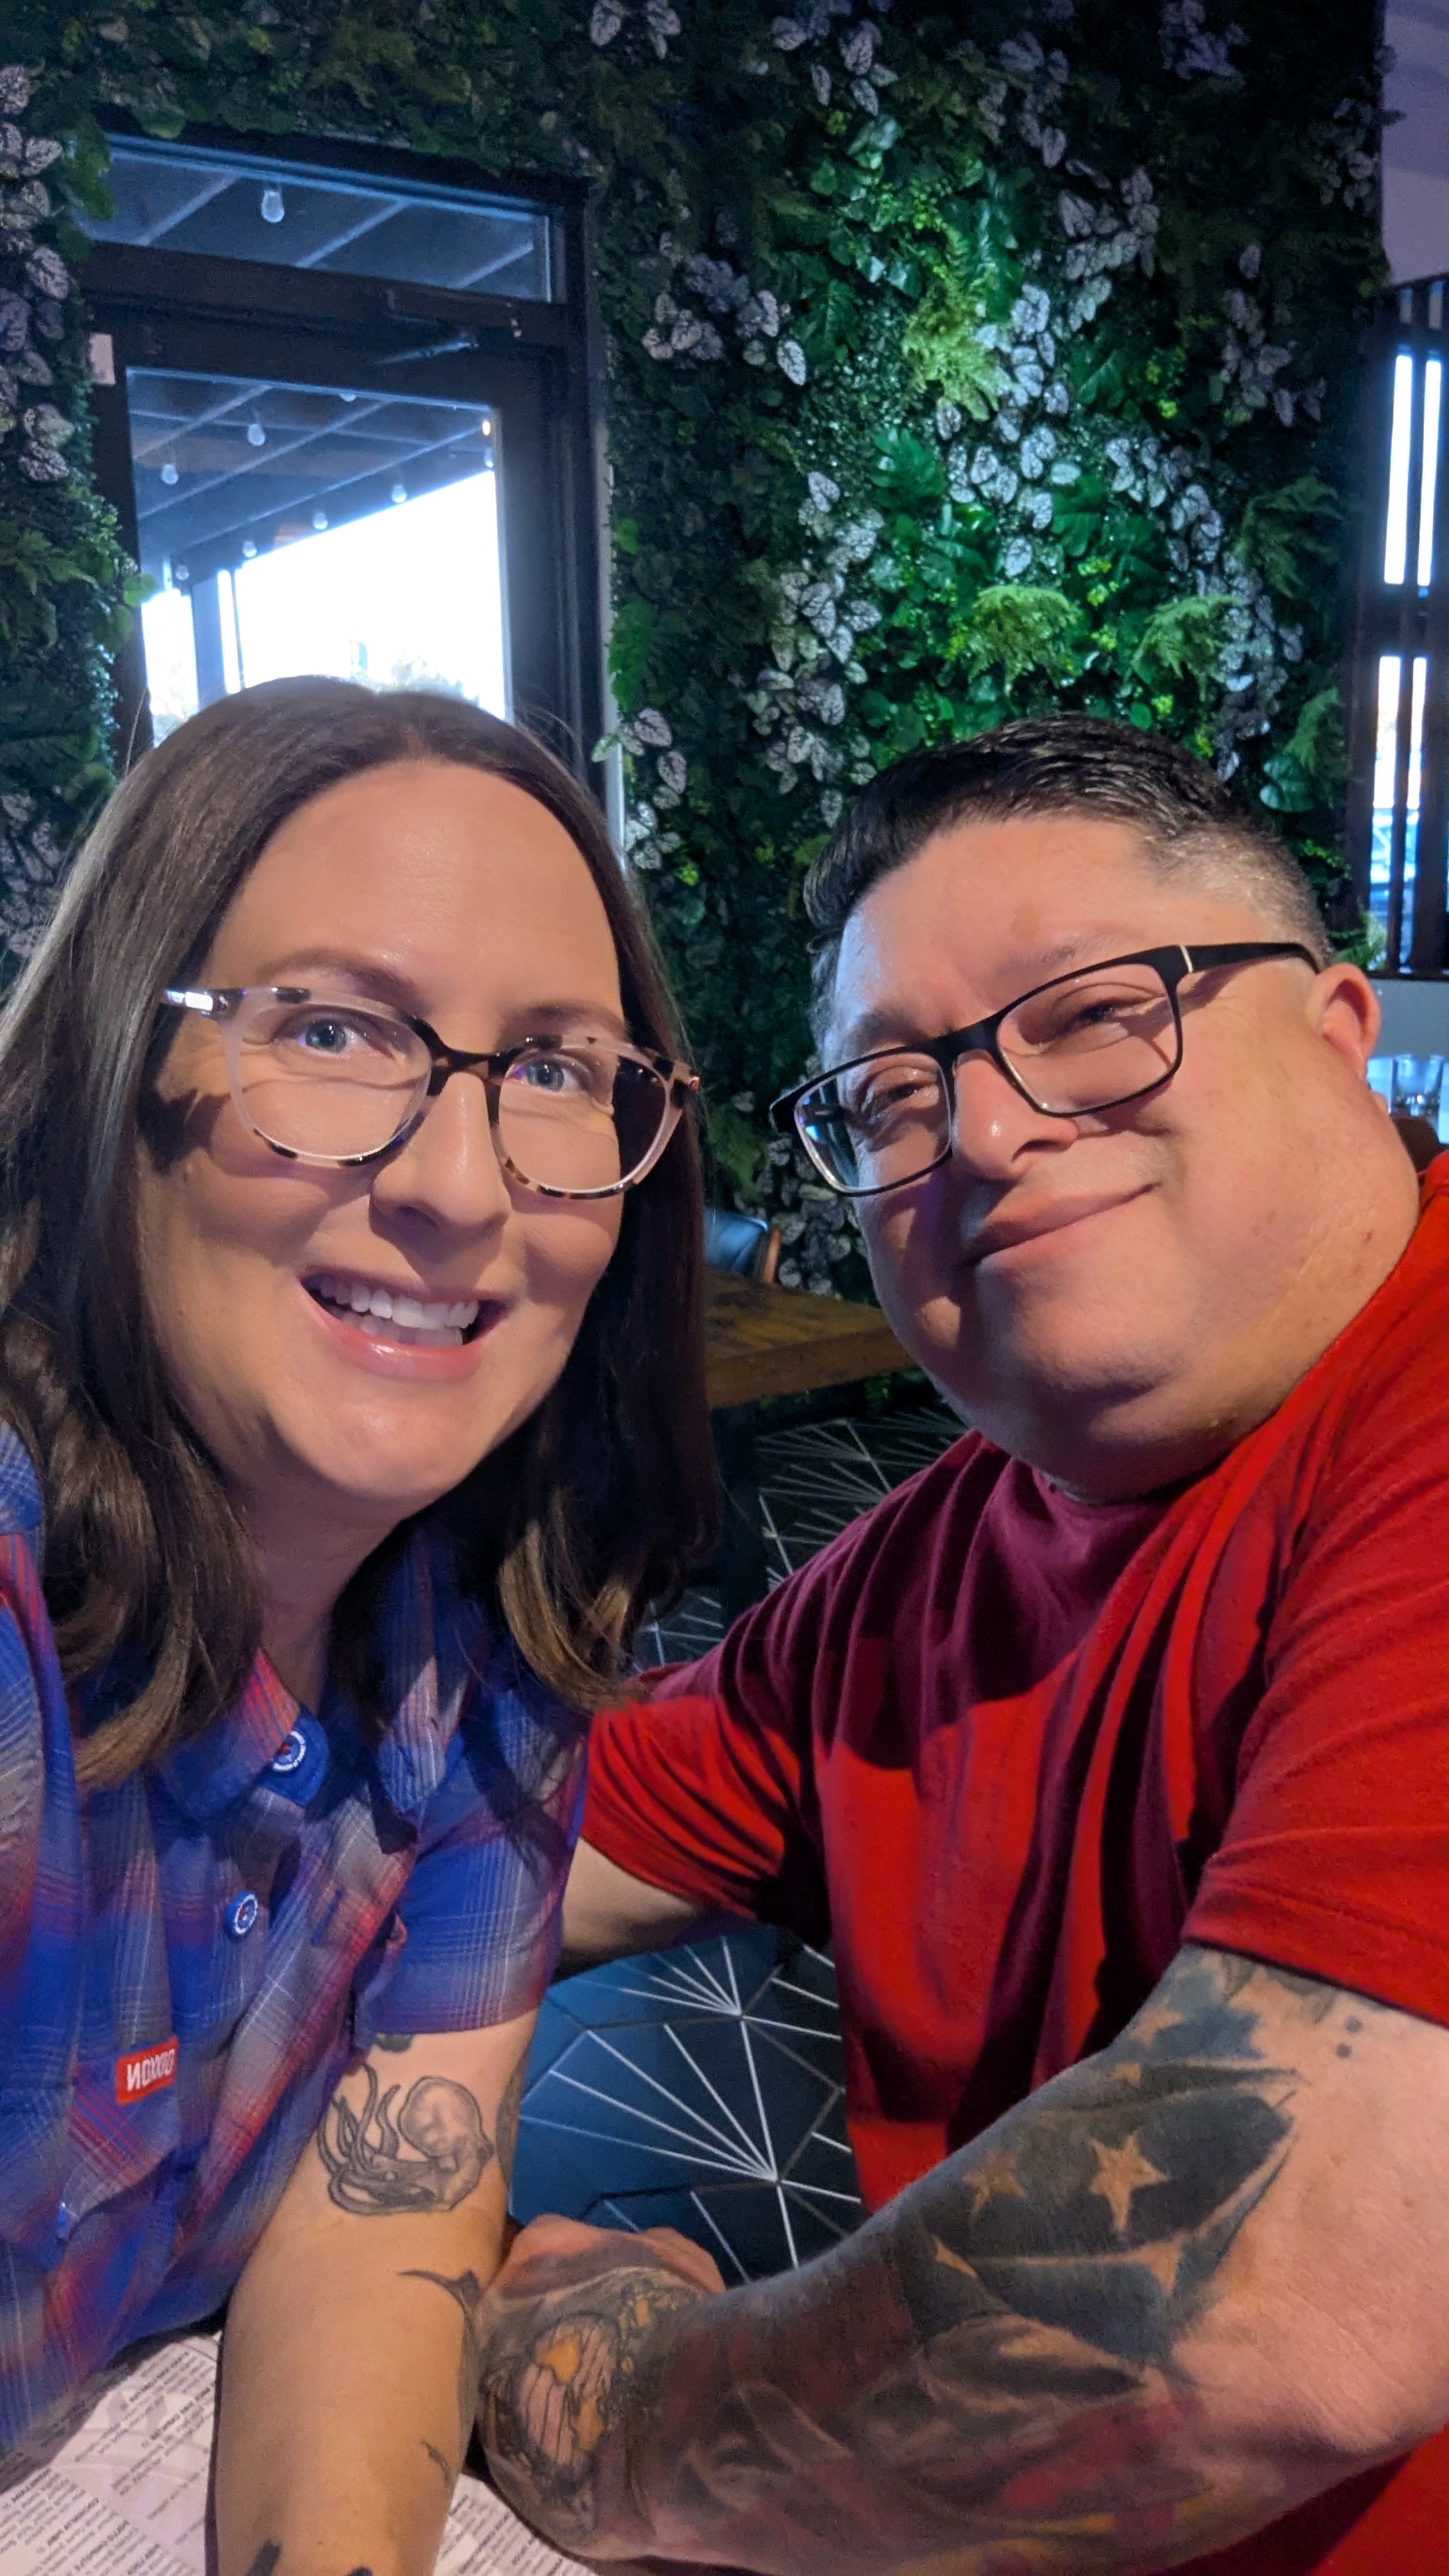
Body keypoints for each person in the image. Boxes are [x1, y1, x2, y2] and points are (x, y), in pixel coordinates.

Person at [473, 716, 1449, 2576]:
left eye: (1092, 1015)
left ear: (1339, 1034)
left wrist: (600, 2400)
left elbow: (1283, 2312)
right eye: (891, 1097)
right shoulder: (921, 1570)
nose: (987, 1135)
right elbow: (494, 1851)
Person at [0, 676, 714, 2576]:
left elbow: (378, 2221)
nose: (463, 1189)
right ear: (115, 1064)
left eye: (557, 1069)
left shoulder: (478, 1644)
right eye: (331, 1030)